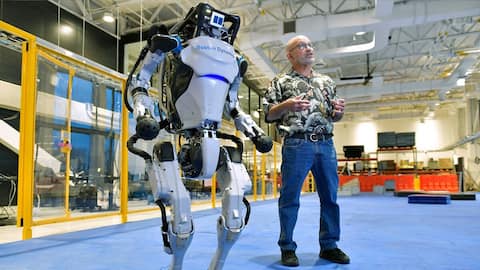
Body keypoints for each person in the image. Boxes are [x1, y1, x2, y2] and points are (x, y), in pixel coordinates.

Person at [263, 35, 349, 267]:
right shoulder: (280, 82)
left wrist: (339, 111)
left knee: (330, 197)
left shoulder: (326, 81)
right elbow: (268, 114)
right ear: (290, 55)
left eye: (310, 45)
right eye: (302, 46)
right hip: (296, 144)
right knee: (290, 198)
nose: (309, 48)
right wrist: (287, 105)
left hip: (326, 144)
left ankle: (329, 246)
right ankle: (287, 247)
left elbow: (335, 116)